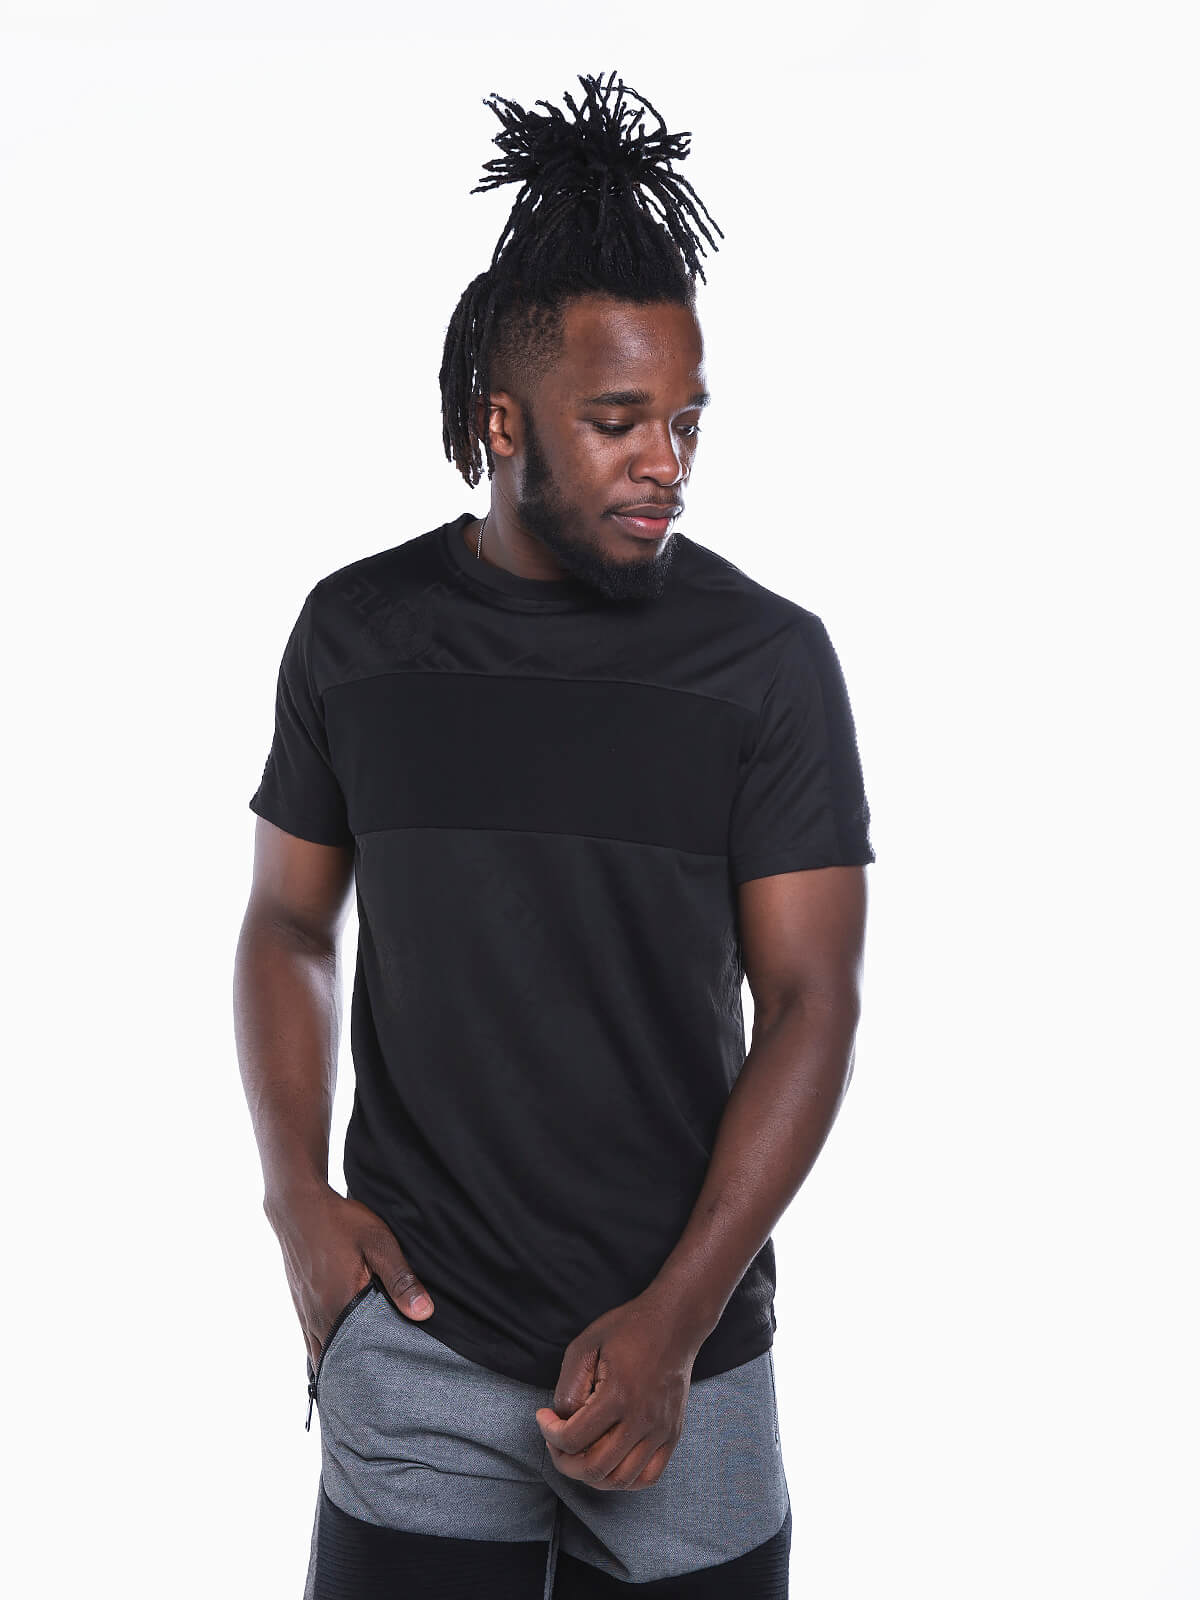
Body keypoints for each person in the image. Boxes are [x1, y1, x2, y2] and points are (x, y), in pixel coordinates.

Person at [233, 69, 875, 1599]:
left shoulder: (764, 664)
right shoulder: (358, 634)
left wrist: (675, 1323)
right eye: (618, 422)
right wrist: (297, 1203)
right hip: (422, 1343)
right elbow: (288, 923)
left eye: (687, 420)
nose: (669, 459)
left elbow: (812, 1001)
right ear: (498, 420)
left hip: (685, 1358)